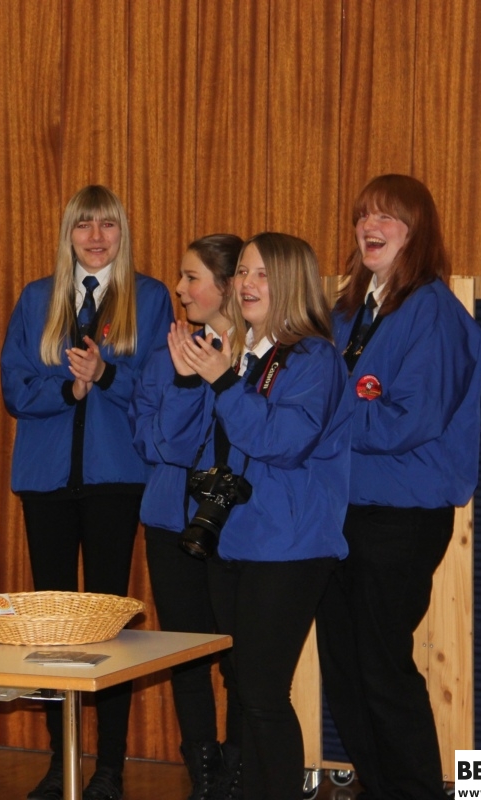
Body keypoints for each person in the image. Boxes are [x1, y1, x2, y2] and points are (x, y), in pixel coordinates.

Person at [0, 185, 174, 800]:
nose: (96, 237)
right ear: (68, 234)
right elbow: (15, 387)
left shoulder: (150, 297)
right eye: (83, 225)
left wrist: (106, 375)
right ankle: (61, 761)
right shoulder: (35, 298)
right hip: (46, 483)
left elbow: (160, 386)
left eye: (107, 225)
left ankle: (110, 767)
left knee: (108, 628)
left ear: (122, 232)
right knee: (52, 630)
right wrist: (66, 391)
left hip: (115, 482)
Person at [315, 175, 481, 800]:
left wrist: (324, 418)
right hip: (340, 510)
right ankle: (378, 785)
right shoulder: (346, 312)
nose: (369, 226)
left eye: (386, 216)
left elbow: (410, 420)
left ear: (418, 232)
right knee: (345, 668)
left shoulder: (434, 311)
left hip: (401, 516)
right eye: (363, 215)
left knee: (382, 667)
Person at [166, 232, 349, 800]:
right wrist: (188, 376)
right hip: (232, 540)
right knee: (244, 688)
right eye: (243, 271)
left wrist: (223, 380)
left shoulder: (314, 357)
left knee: (264, 693)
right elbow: (177, 443)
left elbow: (283, 442)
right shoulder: (235, 352)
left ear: (291, 282)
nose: (246, 283)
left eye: (262, 274)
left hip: (289, 547)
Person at [131, 234, 244, 799]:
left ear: (226, 287)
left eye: (191, 277)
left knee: (242, 658)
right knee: (187, 653)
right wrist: (182, 378)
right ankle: (202, 772)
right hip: (171, 523)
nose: (178, 289)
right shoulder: (164, 358)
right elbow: (158, 445)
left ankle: (239, 770)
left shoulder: (262, 357)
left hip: (241, 528)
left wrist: (222, 374)